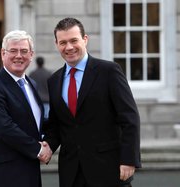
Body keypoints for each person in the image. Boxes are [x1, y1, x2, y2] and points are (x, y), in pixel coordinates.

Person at [43, 17, 141, 187]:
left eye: (74, 40)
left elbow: (130, 118)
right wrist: (47, 147)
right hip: (71, 172)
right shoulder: (54, 80)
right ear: (56, 44)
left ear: (85, 39)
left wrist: (129, 159)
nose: (69, 47)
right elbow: (57, 125)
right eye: (63, 42)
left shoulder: (109, 71)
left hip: (108, 169)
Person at [0, 30, 52, 187]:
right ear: (3, 54)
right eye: (13, 50)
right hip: (0, 174)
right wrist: (38, 150)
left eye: (24, 51)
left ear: (31, 54)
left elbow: (33, 122)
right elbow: (3, 127)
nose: (18, 56)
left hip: (27, 170)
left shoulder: (31, 84)